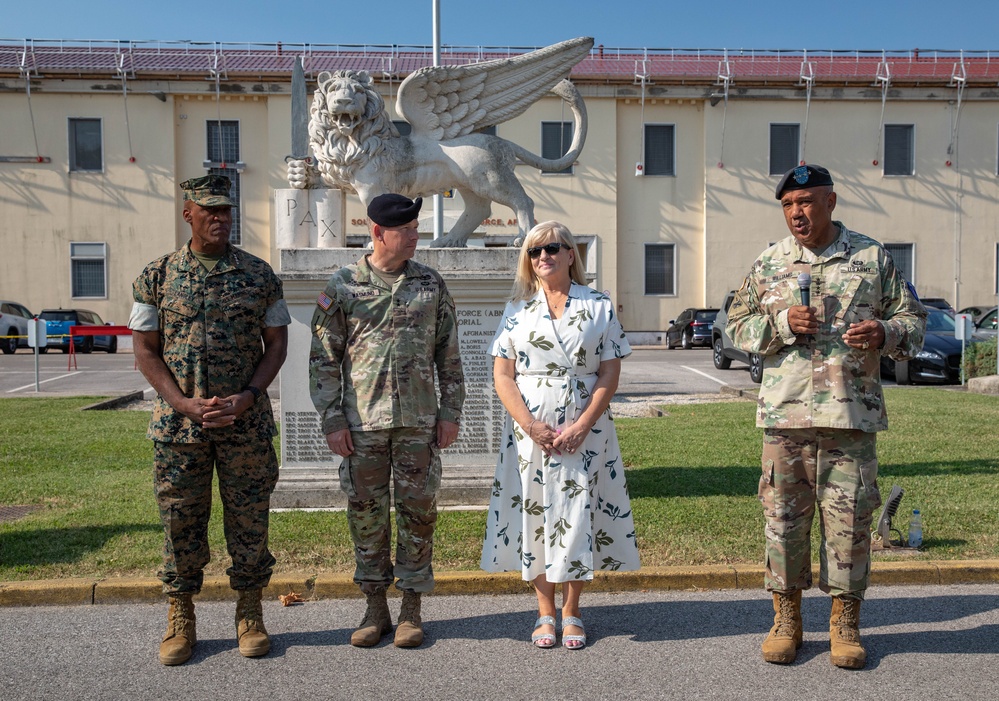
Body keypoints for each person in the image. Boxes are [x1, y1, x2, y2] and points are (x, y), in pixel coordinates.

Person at [726, 164, 926, 669]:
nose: (798, 212)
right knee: (783, 523)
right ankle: (786, 619)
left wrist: (885, 332)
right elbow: (736, 324)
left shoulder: (871, 257)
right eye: (789, 204)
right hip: (785, 419)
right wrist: (779, 322)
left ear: (831, 202)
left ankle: (844, 623)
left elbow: (914, 320)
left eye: (808, 201)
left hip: (849, 417)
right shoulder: (770, 262)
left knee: (850, 524)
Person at [128, 174, 290, 666]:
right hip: (181, 430)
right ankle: (181, 616)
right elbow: (145, 350)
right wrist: (181, 403)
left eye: (226, 210)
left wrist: (248, 396)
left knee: (249, 521)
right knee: (181, 521)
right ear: (189, 214)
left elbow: (277, 344)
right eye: (210, 210)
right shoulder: (156, 277)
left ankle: (249, 612)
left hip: (245, 424)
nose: (220, 218)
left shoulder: (259, 275)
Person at [310, 193, 465, 648]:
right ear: (378, 232)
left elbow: (449, 356)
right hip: (362, 425)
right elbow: (323, 360)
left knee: (419, 514)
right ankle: (374, 608)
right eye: (406, 230)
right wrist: (332, 419)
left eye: (416, 228)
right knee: (366, 515)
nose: (416, 235)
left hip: (418, 422)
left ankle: (411, 609)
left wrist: (450, 412)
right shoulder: (343, 286)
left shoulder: (431, 284)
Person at [480, 221, 640, 650]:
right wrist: (531, 425)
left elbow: (610, 369)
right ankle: (543, 611)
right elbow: (503, 374)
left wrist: (584, 422)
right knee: (533, 513)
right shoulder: (517, 309)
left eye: (552, 248)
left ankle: (572, 611)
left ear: (572, 254)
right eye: (534, 251)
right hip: (530, 434)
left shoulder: (600, 305)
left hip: (586, 430)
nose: (543, 256)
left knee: (578, 514)